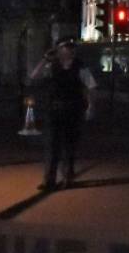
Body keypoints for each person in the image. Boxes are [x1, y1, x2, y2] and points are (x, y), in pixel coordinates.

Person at [30, 40, 97, 190]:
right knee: (52, 145)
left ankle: (67, 177)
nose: (70, 50)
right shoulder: (51, 65)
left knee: (69, 145)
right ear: (59, 50)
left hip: (73, 109)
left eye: (72, 48)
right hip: (54, 110)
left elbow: (91, 87)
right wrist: (45, 58)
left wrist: (90, 107)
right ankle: (49, 180)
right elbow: (34, 76)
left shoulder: (80, 66)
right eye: (66, 47)